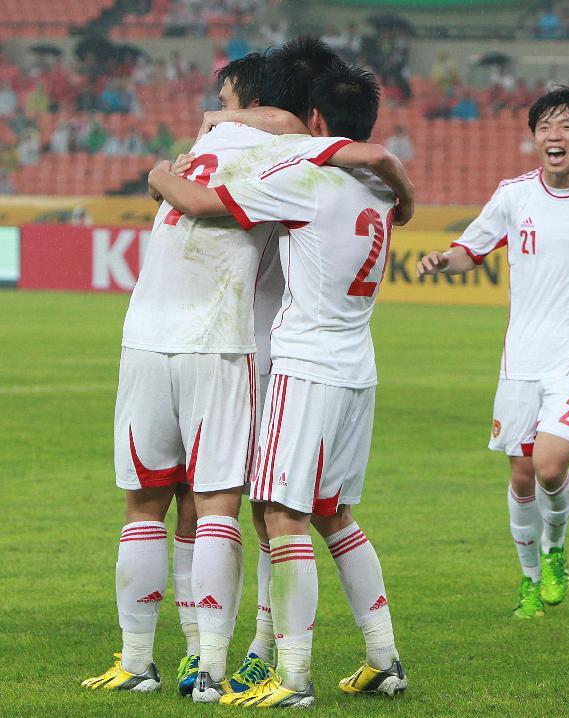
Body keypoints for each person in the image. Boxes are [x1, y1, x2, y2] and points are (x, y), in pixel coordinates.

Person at [81, 41, 411, 704]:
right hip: (324, 359)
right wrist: (405, 202)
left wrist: (159, 174)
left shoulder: (291, 164)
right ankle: (336, 658)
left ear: (302, 115)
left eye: (227, 101)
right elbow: (369, 161)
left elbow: (205, 200)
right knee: (305, 515)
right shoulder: (358, 188)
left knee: (246, 513)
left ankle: (252, 665)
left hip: (254, 354)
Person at [416, 87, 569, 620]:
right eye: (546, 126)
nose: (555, 135)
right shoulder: (512, 196)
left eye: (567, 126)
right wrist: (442, 258)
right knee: (521, 475)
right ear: (534, 139)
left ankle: (555, 549)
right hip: (520, 360)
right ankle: (529, 582)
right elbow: (470, 252)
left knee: (550, 467)